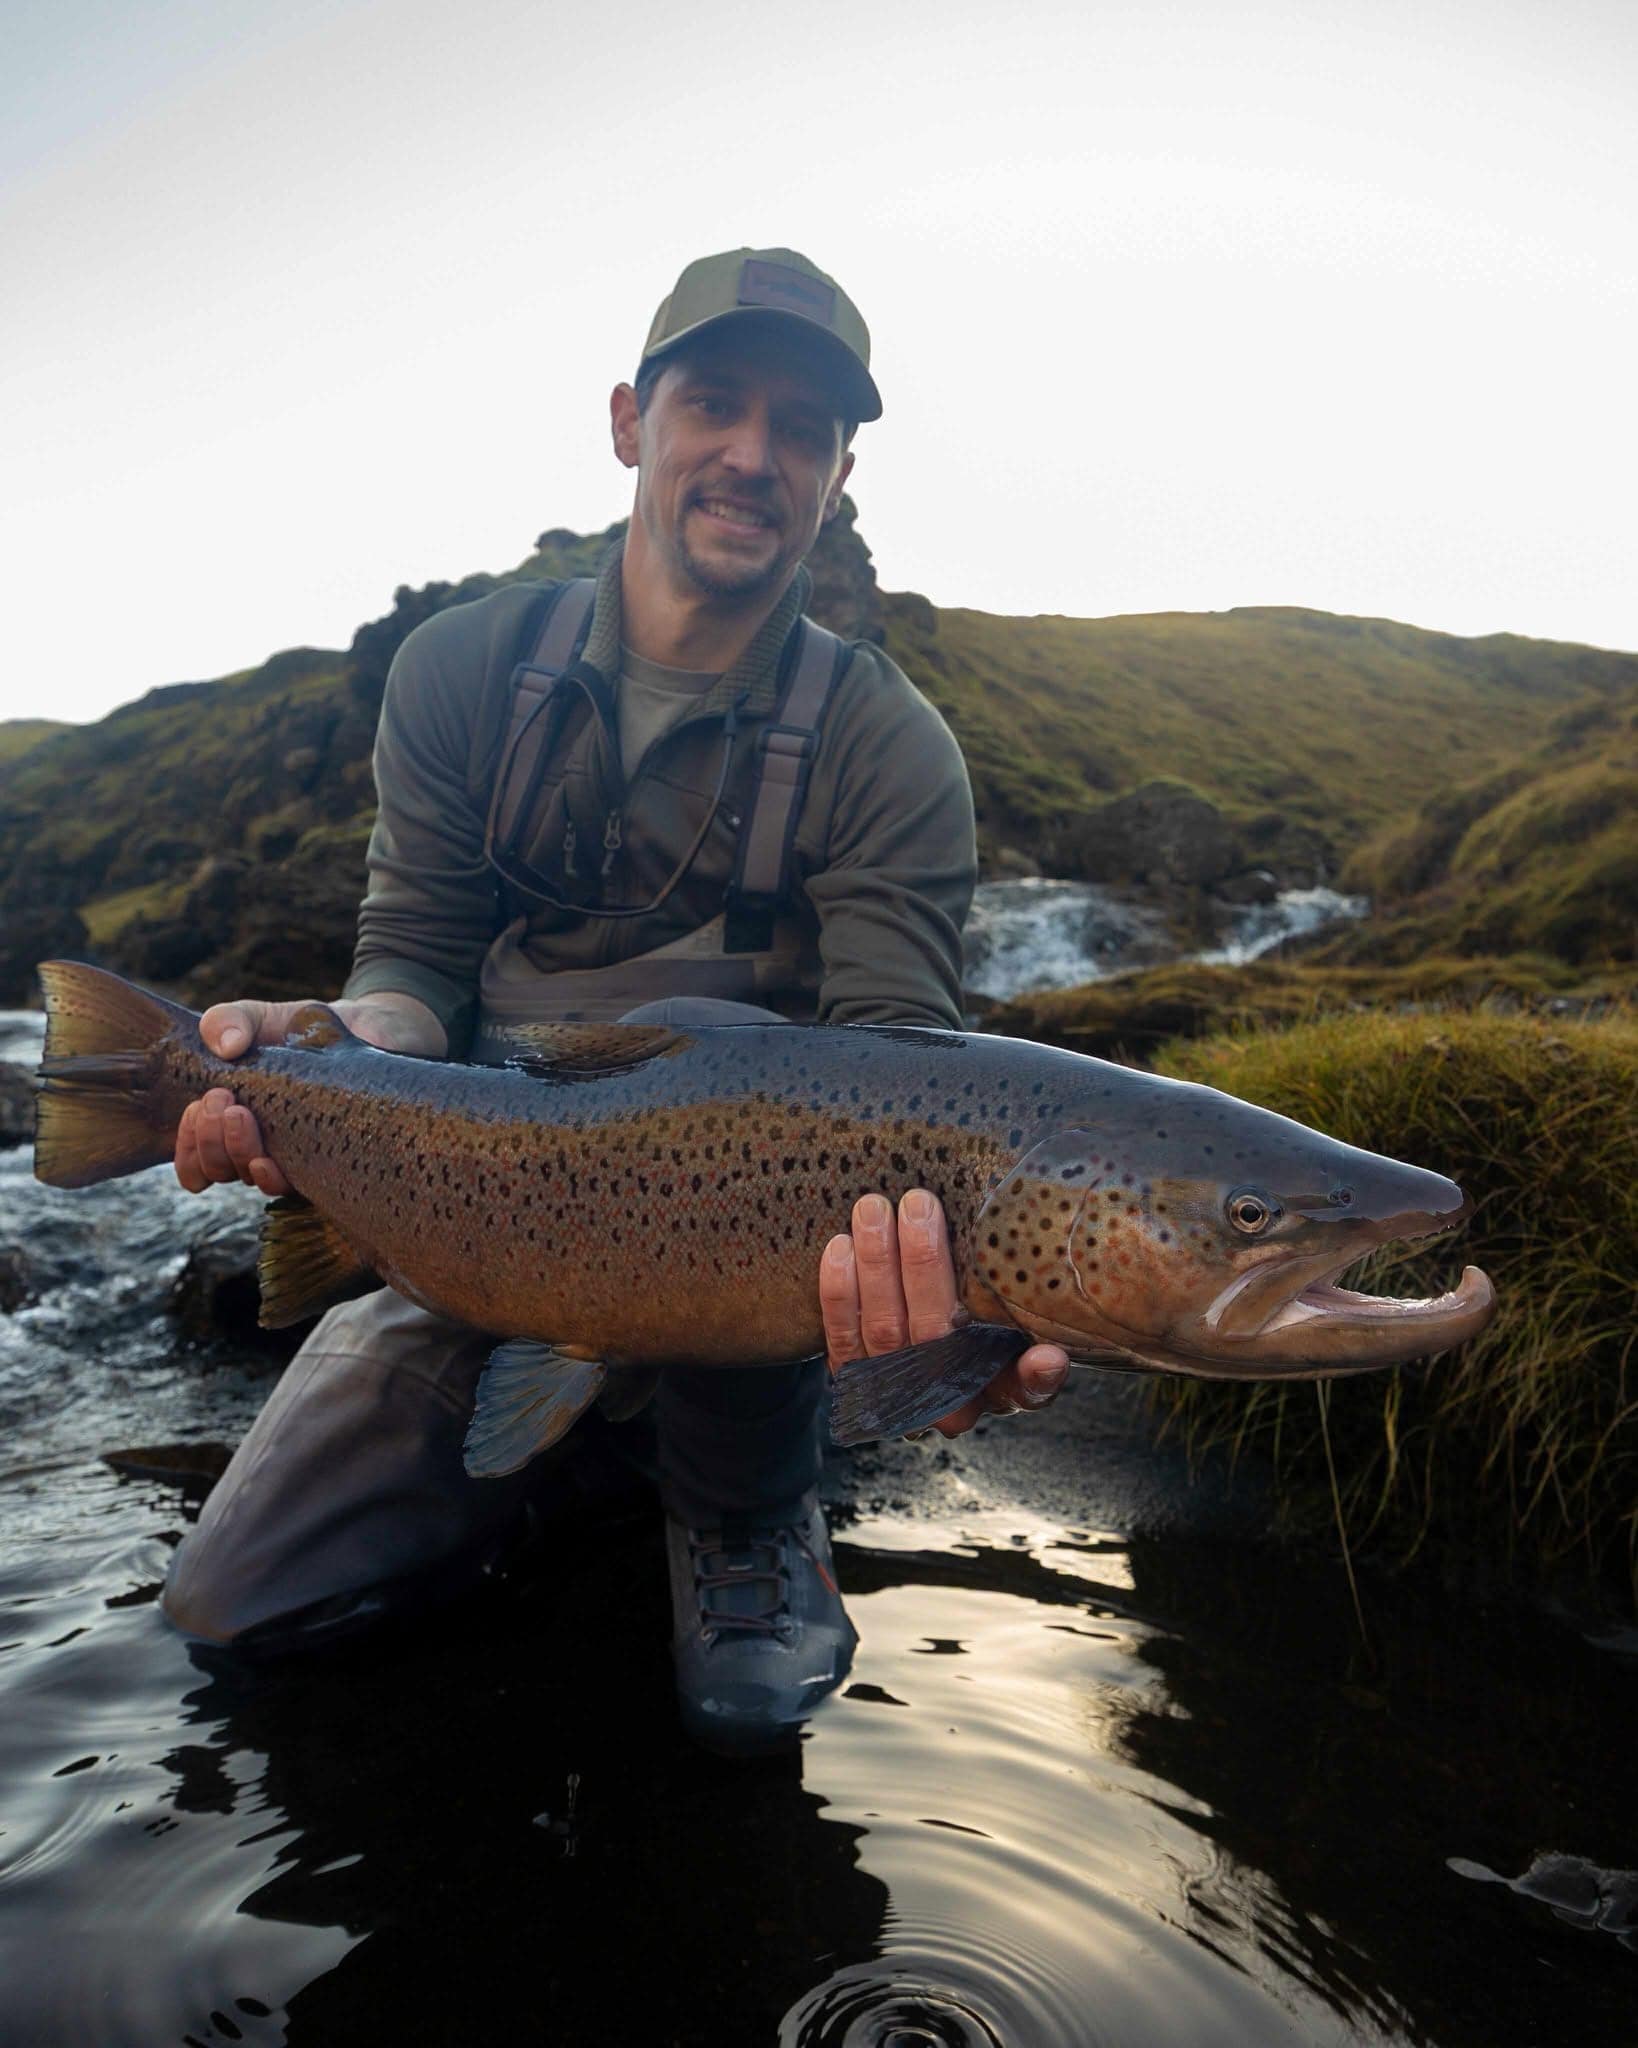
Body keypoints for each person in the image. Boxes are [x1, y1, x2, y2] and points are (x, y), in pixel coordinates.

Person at [163, 247, 1068, 1752]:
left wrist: (956, 1321)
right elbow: (411, 961)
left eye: (800, 429)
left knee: (743, 1715)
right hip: (473, 1228)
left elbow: (904, 1065)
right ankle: (569, 1464)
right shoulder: (459, 671)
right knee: (233, 1614)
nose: (751, 454)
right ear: (625, 423)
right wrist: (334, 1055)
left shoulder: (886, 742)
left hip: (753, 1291)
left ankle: (735, 1506)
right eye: (713, 403)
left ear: (839, 474)